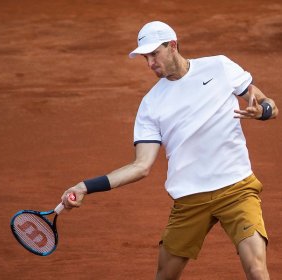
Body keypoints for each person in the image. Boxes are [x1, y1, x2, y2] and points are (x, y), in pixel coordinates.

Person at [61, 21, 279, 280]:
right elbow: (140, 167)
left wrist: (262, 111)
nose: (150, 63)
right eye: (145, 57)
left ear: (172, 46)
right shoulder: (151, 104)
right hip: (190, 199)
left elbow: (269, 105)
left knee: (256, 269)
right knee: (164, 276)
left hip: (237, 189)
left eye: (155, 54)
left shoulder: (219, 67)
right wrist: (85, 186)